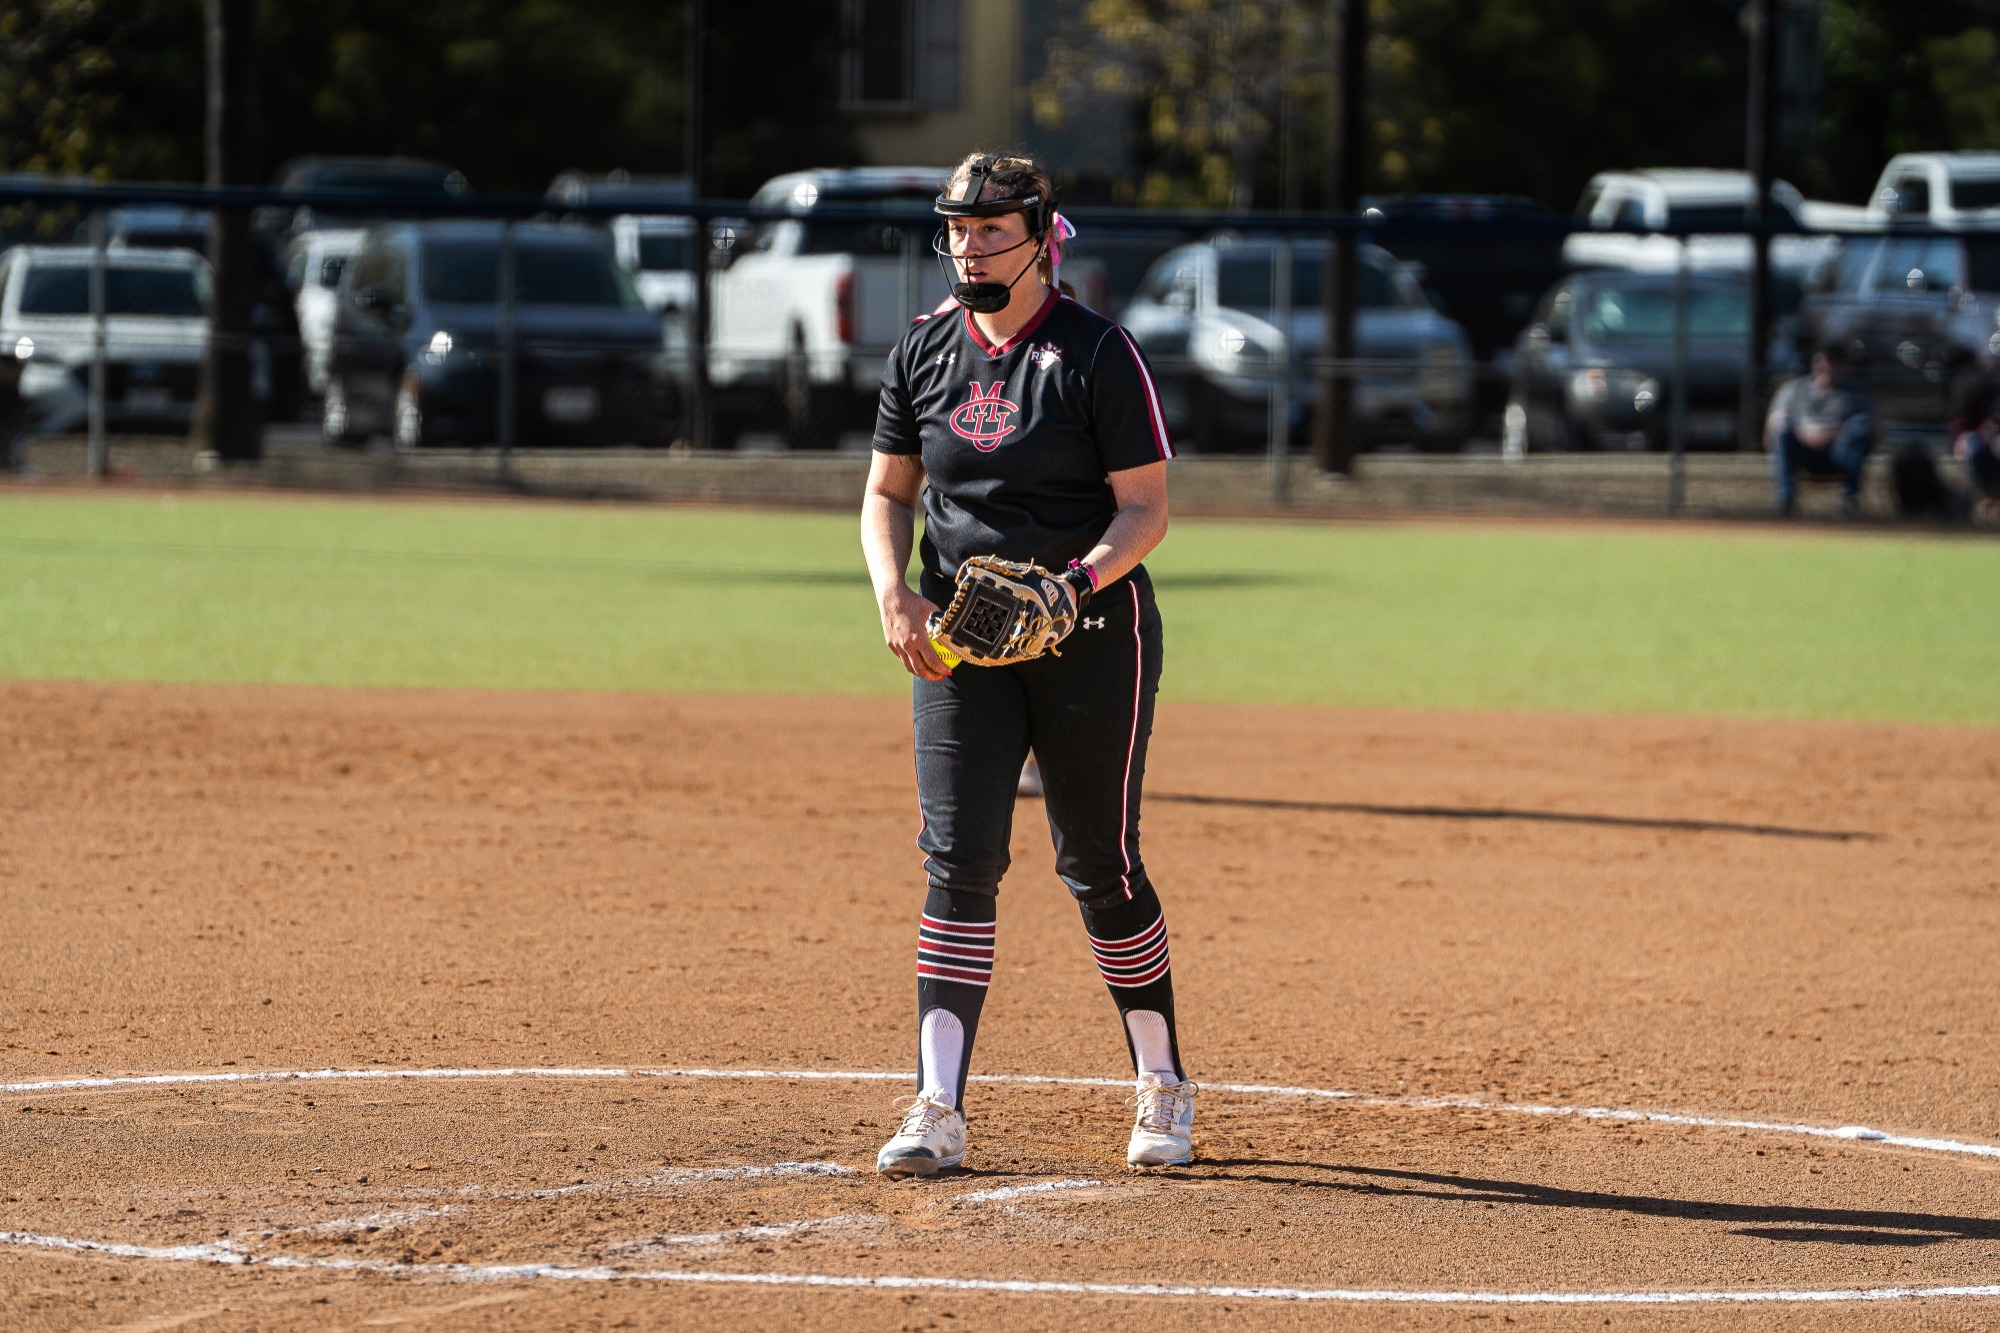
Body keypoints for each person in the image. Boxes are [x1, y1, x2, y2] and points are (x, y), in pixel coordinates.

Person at [859, 151, 1193, 1177]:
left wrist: (1074, 585)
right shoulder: (922, 350)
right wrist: (892, 592)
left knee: (1099, 861)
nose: (968, 247)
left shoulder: (1095, 353)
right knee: (958, 859)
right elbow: (887, 494)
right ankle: (935, 1106)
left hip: (1091, 641)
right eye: (955, 229)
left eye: (989, 229)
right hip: (961, 642)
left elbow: (1144, 509)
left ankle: (1161, 1083)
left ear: (1040, 238)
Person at [1766, 346, 1875, 518]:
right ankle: (1785, 500)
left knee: (1858, 427)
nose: (1828, 369)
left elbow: (1875, 429)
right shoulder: (1794, 390)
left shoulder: (1855, 393)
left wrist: (1834, 433)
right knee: (1781, 428)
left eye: (1834, 364)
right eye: (1823, 363)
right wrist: (1805, 434)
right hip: (1803, 449)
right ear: (1814, 364)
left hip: (1838, 452)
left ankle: (1849, 501)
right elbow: (1772, 424)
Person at [1948, 363, 2000, 521]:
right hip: (1983, 440)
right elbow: (1962, 421)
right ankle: (1988, 495)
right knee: (1969, 443)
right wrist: (1961, 436)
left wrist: (1995, 427)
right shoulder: (1982, 393)